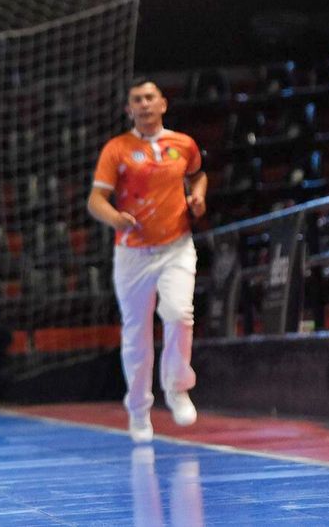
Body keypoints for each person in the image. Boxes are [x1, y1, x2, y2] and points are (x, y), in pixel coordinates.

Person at [86, 79, 207, 444]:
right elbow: (96, 201)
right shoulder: (117, 149)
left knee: (178, 314)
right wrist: (115, 218)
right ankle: (138, 409)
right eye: (137, 99)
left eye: (150, 98)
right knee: (136, 334)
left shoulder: (183, 144)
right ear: (129, 109)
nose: (144, 104)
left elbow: (198, 176)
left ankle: (177, 387)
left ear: (163, 104)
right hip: (132, 253)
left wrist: (198, 197)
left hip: (176, 246)